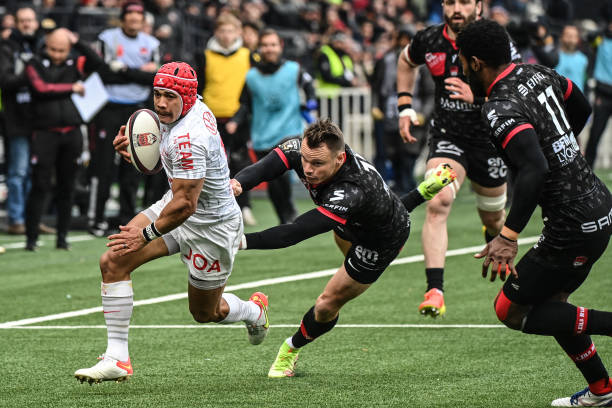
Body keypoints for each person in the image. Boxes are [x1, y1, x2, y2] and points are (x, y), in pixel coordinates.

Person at [74, 62, 269, 384]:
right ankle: (117, 358)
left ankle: (253, 311)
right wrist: (137, 154)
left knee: (205, 313)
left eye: (170, 96)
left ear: (188, 98)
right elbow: (168, 174)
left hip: (211, 226)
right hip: (178, 204)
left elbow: (186, 205)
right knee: (113, 261)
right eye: (157, 94)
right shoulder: (184, 110)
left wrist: (145, 234)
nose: (161, 103)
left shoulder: (190, 137)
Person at [457, 19, 612, 407]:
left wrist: (507, 236)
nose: (458, 67)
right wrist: (558, 142)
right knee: (553, 303)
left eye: (460, 60)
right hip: (596, 204)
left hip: (571, 223)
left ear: (475, 62)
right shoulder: (536, 71)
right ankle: (602, 390)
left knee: (510, 309)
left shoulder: (498, 107)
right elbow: (583, 106)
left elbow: (535, 170)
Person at [231, 118, 456, 378]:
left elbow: (296, 231)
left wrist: (242, 242)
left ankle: (289, 349)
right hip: (356, 220)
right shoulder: (308, 149)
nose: (307, 170)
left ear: (339, 160)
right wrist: (237, 183)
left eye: (317, 164)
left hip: (380, 240)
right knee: (360, 226)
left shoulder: (352, 189)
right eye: (304, 159)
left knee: (327, 304)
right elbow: (267, 167)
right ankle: (422, 192)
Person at [396, 0, 521, 318]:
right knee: (437, 201)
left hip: (489, 139)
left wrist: (476, 97)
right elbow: (405, 61)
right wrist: (405, 106)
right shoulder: (429, 39)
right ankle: (434, 289)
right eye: (450, 1)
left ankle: (492, 235)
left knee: (493, 219)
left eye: (464, 1)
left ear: (479, 6)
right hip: (448, 137)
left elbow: (515, 87)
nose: (456, 8)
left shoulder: (497, 40)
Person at [24, 28, 105, 250]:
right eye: (53, 49)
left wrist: (77, 41)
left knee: (67, 186)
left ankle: (62, 238)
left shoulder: (75, 62)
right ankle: (31, 239)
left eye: (62, 50)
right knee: (40, 185)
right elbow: (41, 88)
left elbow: (98, 63)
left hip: (71, 133)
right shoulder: (34, 63)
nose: (57, 54)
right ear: (45, 45)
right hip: (44, 133)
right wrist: (72, 88)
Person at [228, 28, 317, 224]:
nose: (270, 49)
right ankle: (285, 217)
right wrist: (235, 120)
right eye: (266, 45)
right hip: (262, 136)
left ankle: (291, 214)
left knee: (283, 173)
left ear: (280, 47)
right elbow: (244, 103)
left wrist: (311, 101)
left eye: (273, 44)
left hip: (289, 131)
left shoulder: (294, 69)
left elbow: (309, 85)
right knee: (273, 182)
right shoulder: (251, 76)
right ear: (260, 48)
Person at [89, 0, 160, 237]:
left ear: (143, 22)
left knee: (134, 165)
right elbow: (103, 73)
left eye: (137, 19)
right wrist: (138, 72)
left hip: (137, 110)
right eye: (129, 18)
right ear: (122, 19)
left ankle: (127, 219)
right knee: (103, 165)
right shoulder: (107, 38)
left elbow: (153, 79)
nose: (133, 22)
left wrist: (124, 70)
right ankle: (97, 218)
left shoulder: (152, 44)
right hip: (109, 108)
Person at [194, 12, 256, 226]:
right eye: (222, 31)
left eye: (230, 31)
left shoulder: (248, 56)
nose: (226, 35)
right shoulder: (204, 56)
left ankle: (245, 206)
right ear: (216, 32)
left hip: (238, 118)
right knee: (212, 164)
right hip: (210, 119)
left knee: (241, 163)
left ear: (238, 32)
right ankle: (211, 207)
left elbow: (251, 90)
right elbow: (199, 87)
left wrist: (239, 117)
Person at [0, 7, 39, 236]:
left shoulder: (40, 45)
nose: (26, 24)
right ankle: (16, 219)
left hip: (41, 119)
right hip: (16, 119)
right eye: (22, 20)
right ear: (15, 22)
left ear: (36, 22)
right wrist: (33, 73)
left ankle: (30, 218)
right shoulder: (6, 47)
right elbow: (5, 80)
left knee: (36, 172)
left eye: (30, 20)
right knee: (18, 172)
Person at [584, 20, 612, 169]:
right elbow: (589, 37)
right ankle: (587, 169)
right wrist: (604, 28)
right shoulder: (601, 40)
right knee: (595, 134)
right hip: (603, 93)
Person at [555, 25, 589, 92]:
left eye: (574, 36)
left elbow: (585, 82)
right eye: (568, 36)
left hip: (576, 100)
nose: (571, 39)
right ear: (561, 37)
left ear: (578, 39)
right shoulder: (553, 56)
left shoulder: (584, 59)